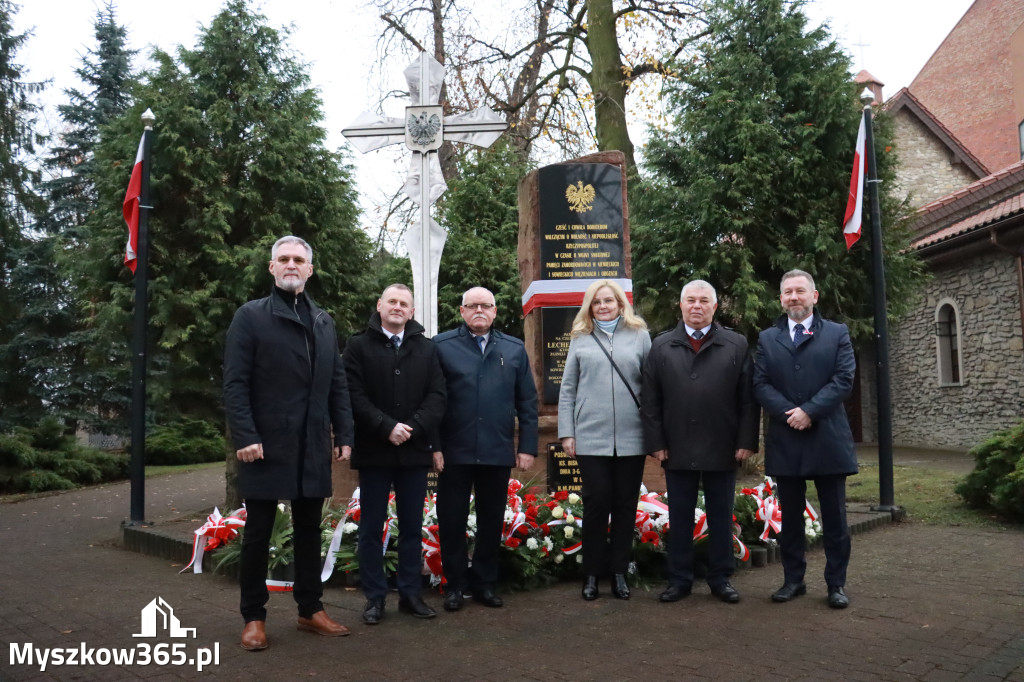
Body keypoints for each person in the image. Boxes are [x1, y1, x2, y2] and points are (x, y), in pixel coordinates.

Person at [223, 235, 354, 651]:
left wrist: (344, 433)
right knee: (258, 532)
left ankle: (309, 609)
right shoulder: (250, 316)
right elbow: (235, 382)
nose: (291, 264)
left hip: (312, 442)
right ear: (272, 267)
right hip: (265, 443)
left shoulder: (324, 321)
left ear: (310, 270)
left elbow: (337, 382)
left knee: (309, 531)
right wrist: (246, 435)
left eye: (299, 259)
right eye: (284, 259)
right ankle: (253, 617)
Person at [642, 280, 759, 604]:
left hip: (723, 444)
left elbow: (748, 400)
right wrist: (656, 442)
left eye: (704, 300)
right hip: (677, 445)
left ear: (714, 307)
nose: (697, 306)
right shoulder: (661, 345)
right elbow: (650, 400)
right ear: (681, 305)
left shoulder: (735, 344)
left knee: (721, 516)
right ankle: (679, 580)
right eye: (691, 300)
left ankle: (721, 578)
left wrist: (745, 441)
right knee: (680, 517)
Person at [752, 269, 857, 609]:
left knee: (835, 519)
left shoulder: (837, 333)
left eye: (800, 291)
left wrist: (809, 411)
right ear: (781, 299)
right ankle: (793, 580)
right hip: (787, 438)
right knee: (791, 519)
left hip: (827, 438)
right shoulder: (768, 338)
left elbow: (843, 379)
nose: (794, 297)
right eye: (788, 292)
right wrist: (790, 413)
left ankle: (836, 584)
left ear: (814, 296)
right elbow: (760, 384)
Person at [343, 284, 447, 624]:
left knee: (412, 527)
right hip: (374, 450)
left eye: (404, 303)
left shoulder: (427, 348)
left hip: (414, 452)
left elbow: (437, 395)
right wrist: (386, 426)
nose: (398, 307)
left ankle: (410, 595)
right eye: (392, 301)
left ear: (411, 311)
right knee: (371, 527)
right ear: (380, 305)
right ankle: (374, 598)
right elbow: (353, 394)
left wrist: (413, 427)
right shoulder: (358, 345)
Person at [433, 286, 539, 612]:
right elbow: (432, 401)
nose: (479, 310)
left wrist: (527, 447)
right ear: (461, 310)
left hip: (496, 449)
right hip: (455, 451)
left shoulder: (514, 348)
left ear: (494, 311)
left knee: (491, 521)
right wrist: (434, 446)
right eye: (472, 305)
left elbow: (528, 402)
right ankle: (454, 585)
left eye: (485, 305)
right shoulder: (441, 346)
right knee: (452, 521)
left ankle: (484, 584)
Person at [558, 279, 651, 601]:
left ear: (620, 304)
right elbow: (568, 389)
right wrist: (567, 432)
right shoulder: (580, 338)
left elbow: (650, 386)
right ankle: (592, 574)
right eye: (597, 302)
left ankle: (619, 573)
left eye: (609, 301)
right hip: (591, 436)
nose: (603, 306)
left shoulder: (640, 335)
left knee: (625, 506)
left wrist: (654, 432)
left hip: (632, 436)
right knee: (596, 504)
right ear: (589, 307)